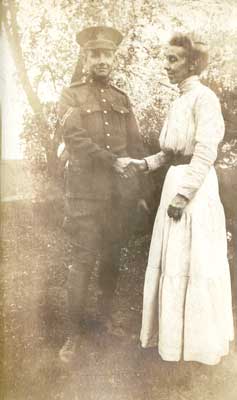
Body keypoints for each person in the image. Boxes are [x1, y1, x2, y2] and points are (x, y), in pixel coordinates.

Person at [127, 33, 234, 365]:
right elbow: (172, 151)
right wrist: (145, 163)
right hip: (175, 182)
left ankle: (198, 345)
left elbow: (203, 152)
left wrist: (184, 195)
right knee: (175, 263)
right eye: (167, 58)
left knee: (196, 263)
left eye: (173, 59)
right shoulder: (178, 102)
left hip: (195, 190)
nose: (167, 65)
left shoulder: (205, 99)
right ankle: (175, 342)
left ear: (192, 62)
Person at [58, 26, 149, 363]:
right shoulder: (71, 96)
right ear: (85, 57)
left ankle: (105, 321)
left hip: (117, 199)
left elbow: (136, 146)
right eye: (95, 54)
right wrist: (114, 161)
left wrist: (139, 190)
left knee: (111, 261)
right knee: (82, 263)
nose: (102, 60)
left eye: (107, 54)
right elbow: (76, 141)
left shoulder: (122, 99)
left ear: (114, 58)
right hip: (84, 196)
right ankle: (73, 335)